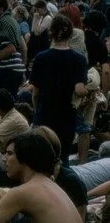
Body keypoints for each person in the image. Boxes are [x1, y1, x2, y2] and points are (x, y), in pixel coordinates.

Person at [0, 133, 82, 223]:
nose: (4, 158)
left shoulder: (21, 192)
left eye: (9, 153)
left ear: (24, 157)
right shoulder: (51, 185)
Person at [30, 14, 89, 164]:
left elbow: (35, 93)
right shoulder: (79, 59)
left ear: (51, 33)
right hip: (66, 115)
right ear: (70, 33)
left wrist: (37, 112)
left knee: (41, 159)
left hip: (45, 113)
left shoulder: (41, 58)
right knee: (62, 159)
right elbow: (80, 89)